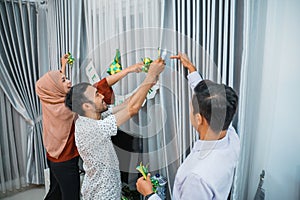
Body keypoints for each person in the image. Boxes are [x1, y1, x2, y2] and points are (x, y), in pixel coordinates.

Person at [36, 53, 143, 200]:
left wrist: (63, 66)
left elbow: (59, 85)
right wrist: (129, 71)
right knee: (69, 195)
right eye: (64, 80)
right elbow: (100, 87)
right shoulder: (67, 108)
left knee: (55, 192)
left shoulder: (49, 99)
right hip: (65, 159)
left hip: (53, 155)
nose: (68, 81)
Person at [136, 53, 240, 200]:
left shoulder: (196, 178)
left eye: (191, 108)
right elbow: (214, 103)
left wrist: (149, 194)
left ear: (199, 119)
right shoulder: (231, 137)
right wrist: (192, 71)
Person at [64, 58, 165, 200]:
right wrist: (150, 75)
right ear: (86, 106)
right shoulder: (91, 128)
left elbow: (127, 104)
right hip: (103, 194)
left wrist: (151, 80)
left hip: (101, 187)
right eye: (96, 95)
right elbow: (132, 109)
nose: (102, 95)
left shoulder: (93, 115)